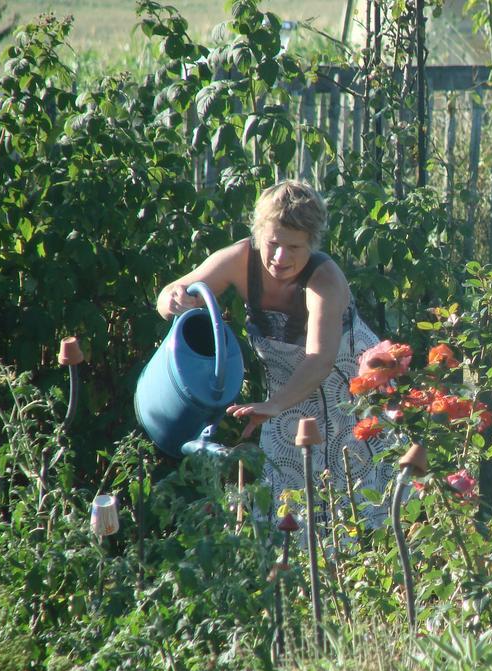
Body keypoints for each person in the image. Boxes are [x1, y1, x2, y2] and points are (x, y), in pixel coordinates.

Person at [156, 180, 393, 528]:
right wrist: (173, 298)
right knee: (285, 507)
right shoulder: (239, 260)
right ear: (258, 235)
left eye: (294, 247)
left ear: (312, 244)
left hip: (347, 401)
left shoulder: (324, 279)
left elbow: (320, 360)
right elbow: (169, 296)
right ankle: (295, 580)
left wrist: (275, 404)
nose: (280, 257)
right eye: (273, 243)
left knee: (358, 505)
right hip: (284, 401)